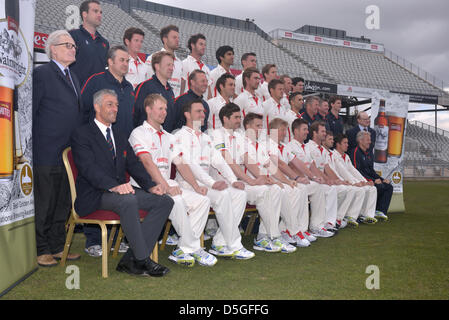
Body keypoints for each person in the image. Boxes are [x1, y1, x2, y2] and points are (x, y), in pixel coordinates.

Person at [71, 89, 173, 277]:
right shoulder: (82, 133)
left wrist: (151, 186)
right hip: (95, 194)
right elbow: (88, 169)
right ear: (96, 106)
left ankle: (131, 259)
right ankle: (143, 260)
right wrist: (114, 186)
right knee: (128, 200)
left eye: (117, 105)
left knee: (165, 201)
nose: (115, 109)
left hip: (120, 191)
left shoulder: (119, 134)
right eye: (110, 104)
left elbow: (133, 164)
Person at [128, 94, 216, 267]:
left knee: (203, 201)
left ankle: (183, 249)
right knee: (176, 200)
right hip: (145, 187)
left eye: (166, 109)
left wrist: (196, 186)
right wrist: (166, 186)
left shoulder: (169, 136)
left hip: (166, 184)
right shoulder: (138, 133)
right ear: (148, 109)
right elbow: (147, 162)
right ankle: (194, 247)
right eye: (160, 108)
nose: (164, 112)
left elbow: (181, 164)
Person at [174, 100, 254, 259]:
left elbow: (218, 160)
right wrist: (212, 182)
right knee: (223, 195)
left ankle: (220, 243)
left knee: (240, 194)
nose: (203, 115)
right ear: (187, 114)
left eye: (204, 112)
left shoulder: (205, 137)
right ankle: (234, 244)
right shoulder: (179, 136)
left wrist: (232, 180)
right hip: (188, 184)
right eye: (198, 111)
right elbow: (191, 165)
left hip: (206, 184)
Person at [32, 30, 83, 267]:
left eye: (74, 46)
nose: (73, 49)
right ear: (53, 49)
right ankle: (41, 248)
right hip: (47, 150)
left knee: (63, 201)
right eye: (68, 45)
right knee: (46, 201)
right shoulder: (42, 74)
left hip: (68, 153)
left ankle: (56, 245)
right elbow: (32, 112)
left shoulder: (74, 77)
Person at [209, 103, 284, 252]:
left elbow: (247, 160)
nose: (239, 120)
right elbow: (227, 160)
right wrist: (250, 180)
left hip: (239, 181)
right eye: (236, 117)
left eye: (240, 117)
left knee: (270, 189)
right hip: (221, 183)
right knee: (242, 194)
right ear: (225, 118)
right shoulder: (216, 134)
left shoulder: (239, 136)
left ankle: (265, 236)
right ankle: (220, 242)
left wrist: (262, 178)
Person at [242, 114, 297, 252]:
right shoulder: (241, 143)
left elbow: (271, 167)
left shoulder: (258, 146)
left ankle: (264, 236)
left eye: (261, 126)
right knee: (270, 190)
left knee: (280, 189)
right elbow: (251, 167)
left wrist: (286, 181)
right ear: (247, 126)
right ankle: (274, 235)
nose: (260, 129)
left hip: (260, 183)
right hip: (246, 184)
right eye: (257, 126)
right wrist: (269, 180)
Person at [266, 118, 314, 247]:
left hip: (281, 179)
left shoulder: (283, 146)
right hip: (271, 180)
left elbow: (296, 162)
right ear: (274, 131)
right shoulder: (268, 144)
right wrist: (294, 179)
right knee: (294, 190)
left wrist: (310, 176)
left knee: (302, 188)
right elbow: (280, 164)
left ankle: (297, 229)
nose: (285, 133)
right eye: (282, 130)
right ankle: (292, 230)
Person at [306, 121, 355, 232]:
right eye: (322, 131)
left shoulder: (322, 150)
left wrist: (336, 180)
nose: (324, 134)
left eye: (324, 131)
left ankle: (331, 221)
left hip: (321, 180)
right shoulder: (308, 147)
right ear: (314, 133)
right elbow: (312, 168)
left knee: (342, 188)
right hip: (312, 180)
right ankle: (324, 222)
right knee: (331, 189)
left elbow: (327, 168)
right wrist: (327, 180)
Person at [81, 45, 134, 138]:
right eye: (121, 60)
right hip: (99, 142)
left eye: (127, 61)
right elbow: (81, 111)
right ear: (110, 61)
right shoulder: (95, 81)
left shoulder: (129, 87)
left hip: (125, 144)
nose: (125, 64)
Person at [322, 131, 369, 225]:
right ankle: (339, 217)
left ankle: (359, 215)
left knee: (369, 188)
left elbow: (351, 171)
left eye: (332, 139)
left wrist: (363, 181)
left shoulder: (340, 155)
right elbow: (336, 171)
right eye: (329, 139)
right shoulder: (330, 154)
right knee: (350, 189)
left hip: (336, 180)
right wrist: (346, 182)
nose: (332, 141)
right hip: (327, 181)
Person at [332, 133, 378, 227]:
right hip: (341, 182)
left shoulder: (346, 156)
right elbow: (343, 171)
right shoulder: (334, 155)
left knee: (372, 188)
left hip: (348, 182)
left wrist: (364, 181)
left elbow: (353, 170)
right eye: (345, 143)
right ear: (338, 144)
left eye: (347, 143)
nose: (347, 145)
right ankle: (349, 216)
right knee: (359, 190)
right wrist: (355, 183)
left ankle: (366, 215)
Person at [349, 131, 392, 221]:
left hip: (371, 180)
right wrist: (371, 180)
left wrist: (381, 179)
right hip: (362, 180)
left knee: (388, 187)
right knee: (379, 187)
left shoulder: (369, 153)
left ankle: (380, 211)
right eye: (368, 140)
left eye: (370, 140)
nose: (370, 142)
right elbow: (357, 171)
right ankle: (371, 210)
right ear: (360, 141)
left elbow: (371, 170)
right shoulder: (355, 152)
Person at [69, 0, 109, 88]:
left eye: (100, 12)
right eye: (95, 11)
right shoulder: (72, 36)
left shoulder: (104, 43)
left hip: (98, 96)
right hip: (77, 93)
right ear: (84, 14)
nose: (99, 15)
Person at [133, 51, 175, 130]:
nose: (171, 68)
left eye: (172, 65)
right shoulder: (145, 87)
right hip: (146, 139)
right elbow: (135, 115)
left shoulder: (170, 91)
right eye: (168, 65)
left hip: (165, 139)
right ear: (157, 66)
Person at [146, 25, 184, 98]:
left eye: (178, 38)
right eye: (174, 37)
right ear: (165, 39)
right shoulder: (152, 58)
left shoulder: (180, 62)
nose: (177, 40)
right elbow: (148, 82)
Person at [181, 33, 212, 98]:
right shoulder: (184, 64)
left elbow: (209, 93)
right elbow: (181, 88)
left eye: (205, 45)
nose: (204, 47)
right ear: (192, 45)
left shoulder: (206, 68)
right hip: (188, 104)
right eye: (201, 44)